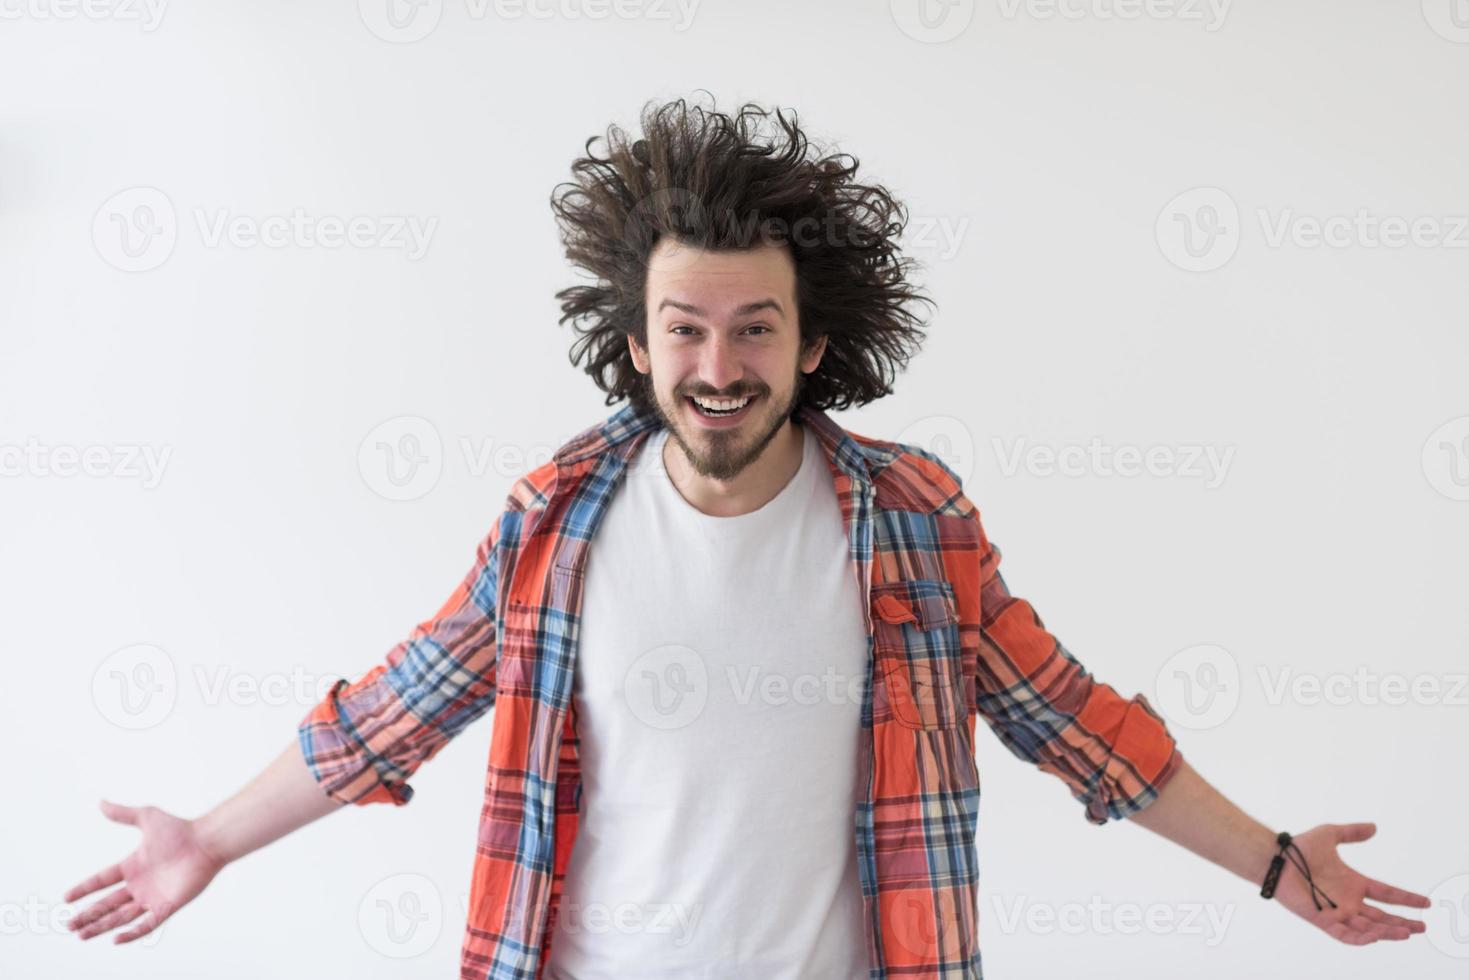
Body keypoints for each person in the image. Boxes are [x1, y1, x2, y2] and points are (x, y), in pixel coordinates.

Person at [63, 97, 1431, 979]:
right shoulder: (556, 522)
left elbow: (1070, 721)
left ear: (814, 343)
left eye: (754, 329)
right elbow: (392, 711)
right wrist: (213, 841)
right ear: (637, 344)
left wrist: (1268, 860)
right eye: (685, 329)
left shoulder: (912, 523)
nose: (718, 364)